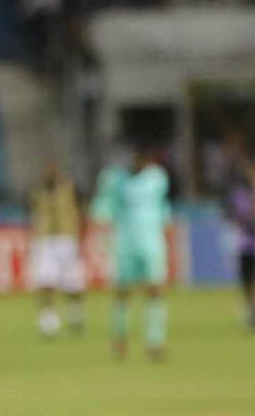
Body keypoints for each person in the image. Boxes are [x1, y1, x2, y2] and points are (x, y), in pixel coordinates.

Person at [92, 143, 172, 360]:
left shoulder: (158, 178)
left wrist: (167, 231)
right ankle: (119, 339)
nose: (138, 162)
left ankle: (154, 342)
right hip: (124, 241)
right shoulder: (115, 179)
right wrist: (100, 228)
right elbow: (103, 208)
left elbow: (163, 208)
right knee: (122, 291)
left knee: (155, 290)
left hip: (151, 241)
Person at [28, 161, 86, 338]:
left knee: (73, 284)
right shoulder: (37, 192)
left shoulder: (70, 189)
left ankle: (75, 316)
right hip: (45, 240)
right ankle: (49, 325)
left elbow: (81, 212)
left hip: (67, 238)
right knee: (46, 283)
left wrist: (80, 237)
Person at [219, 135, 255, 330]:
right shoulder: (240, 193)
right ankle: (252, 313)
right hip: (246, 243)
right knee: (247, 281)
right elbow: (232, 214)